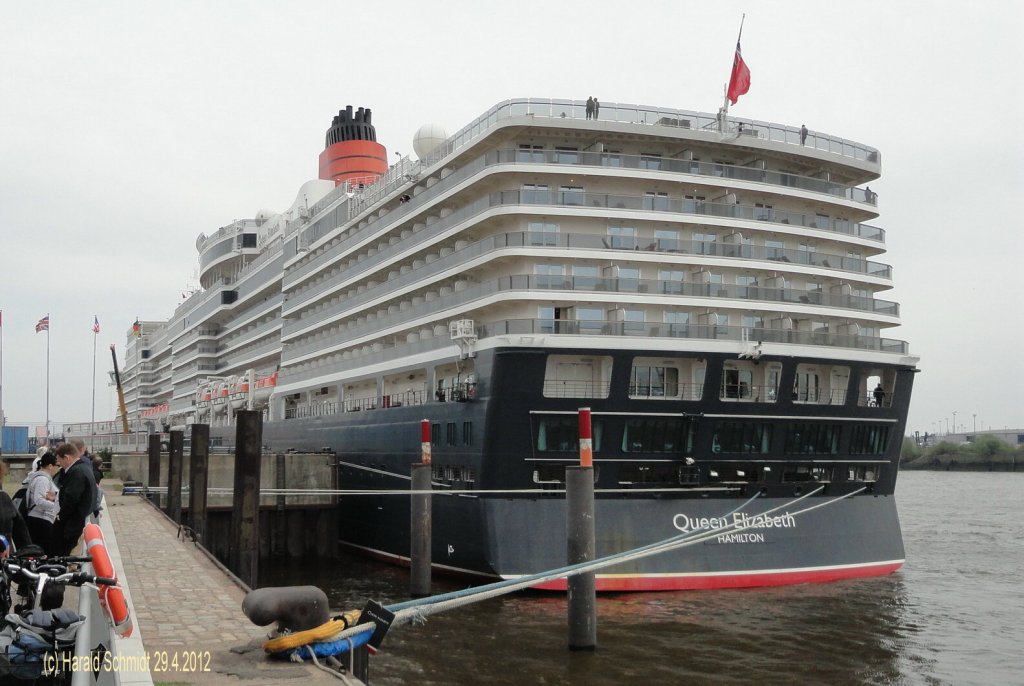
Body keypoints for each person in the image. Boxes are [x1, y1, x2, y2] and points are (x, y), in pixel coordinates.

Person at [52, 442, 97, 556]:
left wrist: (60, 516)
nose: (59, 464)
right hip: (81, 518)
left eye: (59, 460)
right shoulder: (84, 468)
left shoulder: (75, 472)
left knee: (63, 552)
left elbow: (71, 498)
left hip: (72, 523)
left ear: (67, 457)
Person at [23, 452, 60, 554]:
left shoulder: (43, 478)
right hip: (40, 520)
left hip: (40, 519)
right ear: (50, 466)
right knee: (44, 550)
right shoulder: (42, 479)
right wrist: (57, 507)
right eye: (57, 465)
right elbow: (39, 500)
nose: (58, 468)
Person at [0, 460, 33, 556]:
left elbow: (20, 530)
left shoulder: (4, 498)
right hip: (6, 555)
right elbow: (21, 533)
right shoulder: (4, 498)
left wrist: (28, 553)